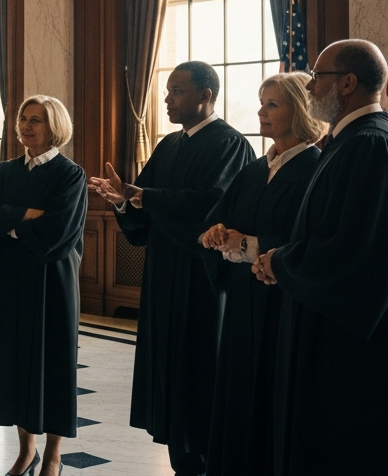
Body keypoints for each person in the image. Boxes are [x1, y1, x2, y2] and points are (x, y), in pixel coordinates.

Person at [253, 39, 388, 475]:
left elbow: (359, 256)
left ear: (347, 83)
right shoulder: (348, 141)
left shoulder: (372, 146)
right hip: (337, 334)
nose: (312, 85)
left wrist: (280, 262)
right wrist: (282, 258)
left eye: (319, 77)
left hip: (357, 354)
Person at [88, 61, 254, 476]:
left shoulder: (229, 144)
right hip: (164, 274)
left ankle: (207, 460)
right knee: (170, 375)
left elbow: (208, 205)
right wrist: (123, 201)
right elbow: (145, 204)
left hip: (202, 280)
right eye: (167, 91)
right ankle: (182, 460)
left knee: (201, 371)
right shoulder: (169, 145)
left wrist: (144, 196)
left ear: (205, 95)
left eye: (177, 91)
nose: (167, 99)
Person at [196, 73, 324, 476]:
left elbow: (308, 240)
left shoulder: (316, 169)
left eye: (272, 104)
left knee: (273, 397)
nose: (260, 112)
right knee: (237, 396)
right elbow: (218, 220)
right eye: (261, 102)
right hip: (241, 302)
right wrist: (214, 232)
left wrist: (248, 244)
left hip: (282, 306)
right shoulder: (253, 170)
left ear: (299, 111)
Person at [0, 96, 86, 476]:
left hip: (51, 280)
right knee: (15, 361)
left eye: (36, 120)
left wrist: (9, 225)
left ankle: (53, 455)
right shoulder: (5, 170)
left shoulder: (70, 175)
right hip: (9, 279)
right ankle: (26, 451)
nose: (26, 125)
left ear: (53, 126)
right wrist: (24, 215)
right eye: (23, 118)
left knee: (51, 364)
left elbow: (58, 231)